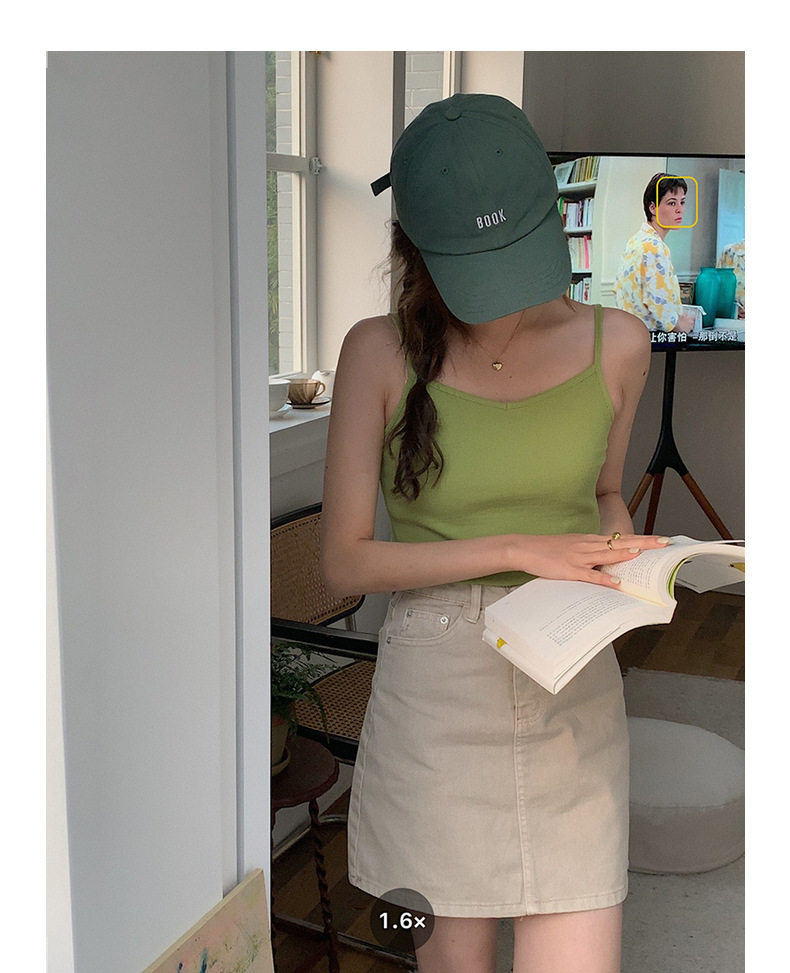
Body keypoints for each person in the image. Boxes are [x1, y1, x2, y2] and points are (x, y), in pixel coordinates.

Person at [320, 93, 671, 973]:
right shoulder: (376, 351)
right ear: (416, 247)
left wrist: (621, 549)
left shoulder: (620, 344)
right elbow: (343, 560)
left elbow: (604, 493)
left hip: (570, 673)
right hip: (434, 695)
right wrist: (519, 548)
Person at [614, 172, 697, 333]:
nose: (680, 210)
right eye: (672, 203)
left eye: (682, 202)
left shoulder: (636, 240)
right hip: (649, 336)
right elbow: (657, 301)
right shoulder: (654, 247)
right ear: (653, 207)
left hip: (630, 332)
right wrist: (679, 325)